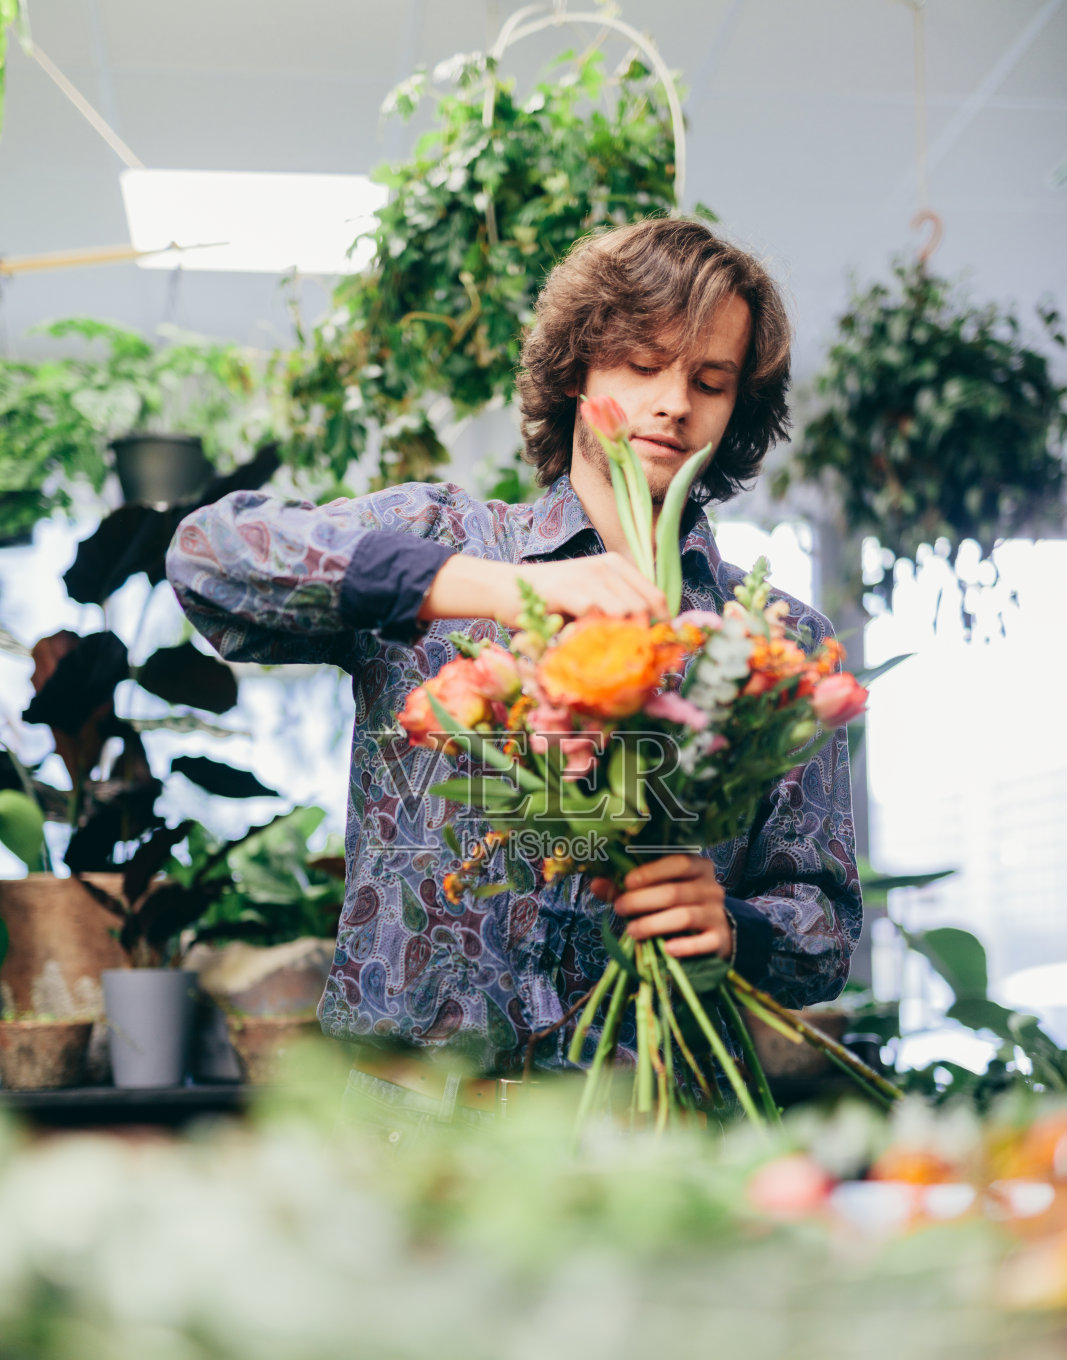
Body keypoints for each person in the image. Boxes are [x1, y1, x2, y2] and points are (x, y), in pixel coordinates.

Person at [167, 216, 860, 1074]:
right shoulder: (441, 536)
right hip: (408, 1130)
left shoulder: (773, 643)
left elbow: (824, 931)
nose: (673, 401)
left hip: (643, 1136)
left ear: (735, 408)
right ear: (577, 368)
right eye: (642, 365)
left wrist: (734, 925)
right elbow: (209, 557)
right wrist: (507, 590)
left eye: (709, 380)